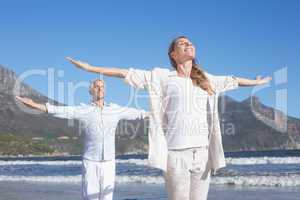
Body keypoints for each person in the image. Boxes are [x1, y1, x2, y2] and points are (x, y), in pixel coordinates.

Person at [66, 36, 272, 200]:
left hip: (202, 153)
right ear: (173, 54)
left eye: (190, 42)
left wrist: (256, 82)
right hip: (176, 154)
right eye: (182, 43)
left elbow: (233, 80)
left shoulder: (206, 79)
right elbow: (124, 73)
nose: (188, 44)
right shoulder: (162, 76)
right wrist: (91, 68)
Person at [16, 79, 147, 200]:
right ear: (91, 91)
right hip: (90, 161)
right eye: (97, 86)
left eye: (102, 87)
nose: (100, 89)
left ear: (105, 90)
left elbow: (137, 113)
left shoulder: (115, 109)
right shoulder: (83, 110)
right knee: (90, 197)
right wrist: (35, 105)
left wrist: (157, 114)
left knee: (107, 197)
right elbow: (61, 110)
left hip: (109, 161)